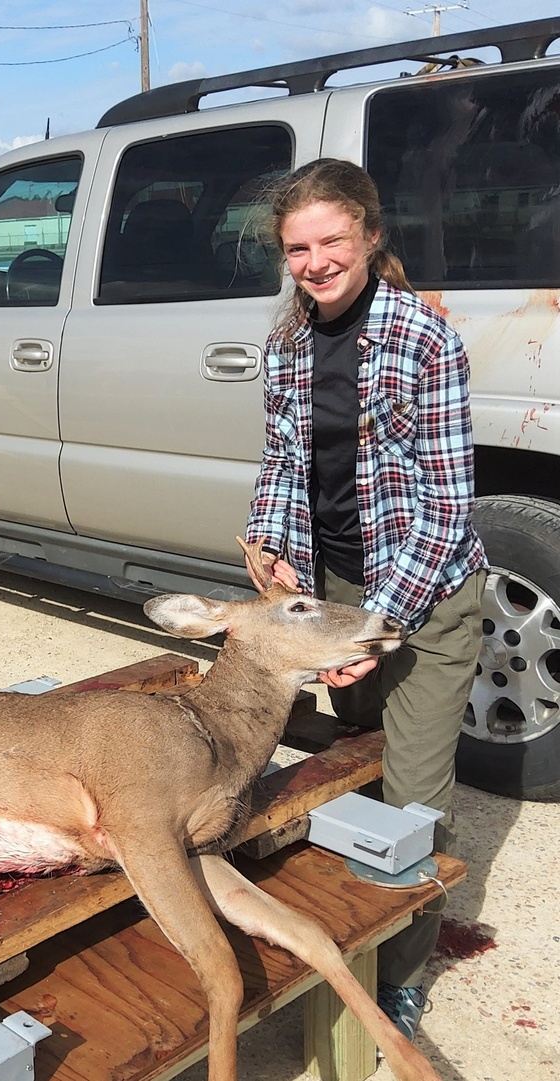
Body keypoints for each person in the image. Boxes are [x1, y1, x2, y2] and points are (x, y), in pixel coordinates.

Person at [244, 158, 488, 1042]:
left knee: (412, 795)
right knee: (345, 764)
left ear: (371, 235)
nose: (314, 262)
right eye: (297, 248)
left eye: (331, 240)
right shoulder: (289, 345)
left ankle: (403, 974)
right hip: (340, 590)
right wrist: (267, 536)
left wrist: (374, 629)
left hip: (424, 593)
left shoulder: (425, 338)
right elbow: (282, 463)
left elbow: (448, 508)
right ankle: (338, 933)